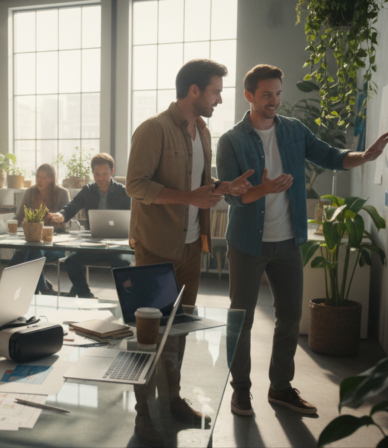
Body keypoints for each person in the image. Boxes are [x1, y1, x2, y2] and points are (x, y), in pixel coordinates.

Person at [217, 64, 388, 416]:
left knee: (289, 318)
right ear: (249, 95)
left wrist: (366, 157)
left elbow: (330, 157)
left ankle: (281, 388)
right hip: (246, 244)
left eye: (279, 93)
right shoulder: (231, 141)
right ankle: (240, 390)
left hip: (288, 241)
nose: (275, 101)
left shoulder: (295, 131)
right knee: (242, 318)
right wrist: (262, 189)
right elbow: (232, 197)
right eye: (267, 94)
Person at [126, 58, 253, 443]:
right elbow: (135, 184)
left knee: (178, 332)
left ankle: (173, 401)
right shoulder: (153, 130)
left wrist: (222, 188)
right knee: (150, 336)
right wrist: (189, 197)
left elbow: (198, 186)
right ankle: (144, 412)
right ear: (194, 91)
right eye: (215, 91)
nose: (218, 99)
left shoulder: (202, 132)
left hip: (190, 249)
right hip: (155, 249)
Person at [47, 153, 133, 298]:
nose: (101, 178)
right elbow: (72, 207)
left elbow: (134, 217)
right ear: (92, 173)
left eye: (105, 174)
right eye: (97, 174)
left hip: (119, 246)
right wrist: (62, 215)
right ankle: (86, 296)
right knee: (71, 262)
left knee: (122, 263)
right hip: (94, 245)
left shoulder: (124, 192)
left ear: (112, 172)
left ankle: (128, 300)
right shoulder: (88, 190)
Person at [9, 163, 71, 294]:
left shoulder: (62, 193)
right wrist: (8, 225)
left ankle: (7, 283)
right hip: (32, 241)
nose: (39, 180)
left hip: (55, 244)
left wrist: (56, 221)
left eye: (44, 177)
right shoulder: (30, 192)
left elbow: (67, 222)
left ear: (51, 179)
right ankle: (43, 287)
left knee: (26, 252)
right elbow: (19, 217)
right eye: (38, 176)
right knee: (28, 250)